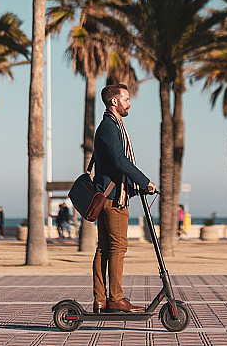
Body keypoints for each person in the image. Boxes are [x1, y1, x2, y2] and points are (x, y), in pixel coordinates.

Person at [92, 83, 156, 314]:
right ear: (114, 101)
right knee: (117, 247)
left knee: (104, 248)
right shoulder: (109, 127)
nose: (129, 104)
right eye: (126, 99)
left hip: (107, 195)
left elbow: (114, 161)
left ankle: (100, 300)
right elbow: (120, 160)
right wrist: (144, 182)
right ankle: (116, 298)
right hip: (113, 199)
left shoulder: (109, 126)